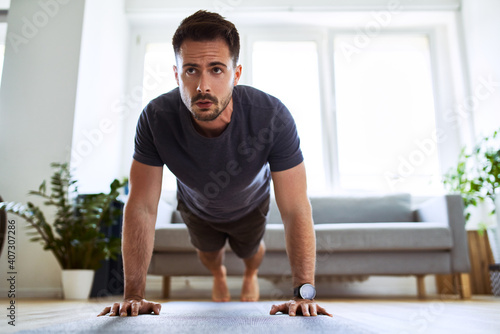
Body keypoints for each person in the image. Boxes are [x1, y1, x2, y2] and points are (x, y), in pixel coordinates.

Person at [98, 10, 332, 318]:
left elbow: (295, 208)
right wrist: (133, 295)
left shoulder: (271, 116)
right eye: (191, 70)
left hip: (250, 205)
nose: (202, 86)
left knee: (250, 253)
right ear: (176, 74)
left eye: (217, 70)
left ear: (236, 74)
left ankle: (249, 274)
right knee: (209, 256)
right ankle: (219, 274)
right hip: (197, 208)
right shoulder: (156, 119)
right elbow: (141, 206)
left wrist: (304, 292)